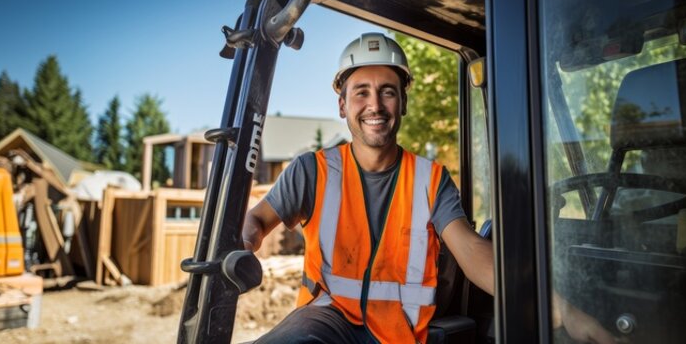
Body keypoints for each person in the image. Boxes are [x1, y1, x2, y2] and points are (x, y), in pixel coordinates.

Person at [242, 33, 614, 344]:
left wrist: (561, 309)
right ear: (342, 104)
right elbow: (255, 221)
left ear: (403, 102)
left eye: (388, 92)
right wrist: (242, 240)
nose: (375, 104)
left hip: (399, 335)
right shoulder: (312, 170)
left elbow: (473, 253)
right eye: (361, 93)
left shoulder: (431, 180)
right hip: (326, 322)